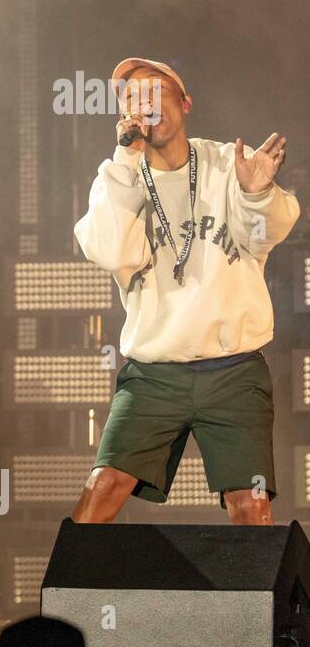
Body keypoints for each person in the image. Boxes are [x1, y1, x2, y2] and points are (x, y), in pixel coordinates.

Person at [73, 57, 299, 523]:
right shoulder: (121, 176)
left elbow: (263, 237)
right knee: (103, 486)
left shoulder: (226, 165)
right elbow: (111, 251)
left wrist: (256, 194)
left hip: (234, 371)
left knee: (249, 502)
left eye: (154, 93)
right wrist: (125, 160)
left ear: (185, 103)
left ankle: (258, 600)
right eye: (131, 99)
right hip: (154, 373)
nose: (143, 105)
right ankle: (61, 597)